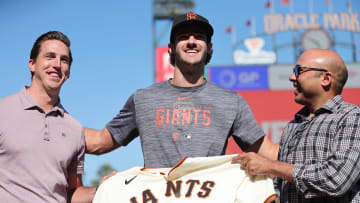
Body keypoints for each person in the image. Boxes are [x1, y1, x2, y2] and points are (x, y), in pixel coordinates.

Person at [85, 12, 278, 168]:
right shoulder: (143, 99)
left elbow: (269, 153)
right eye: (184, 37)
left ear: (209, 48)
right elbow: (99, 142)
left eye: (199, 37)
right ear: (170, 48)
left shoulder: (230, 102)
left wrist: (308, 133)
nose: (192, 41)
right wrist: (55, 123)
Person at [233, 49, 360, 202]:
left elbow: (337, 179)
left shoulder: (351, 117)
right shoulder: (293, 125)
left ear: (325, 79)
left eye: (298, 71)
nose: (291, 77)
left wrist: (272, 166)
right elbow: (282, 186)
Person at [0, 31, 96, 203]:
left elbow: (72, 193)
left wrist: (105, 189)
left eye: (64, 60)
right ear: (32, 64)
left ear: (68, 72)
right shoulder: (2, 111)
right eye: (50, 57)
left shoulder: (75, 129)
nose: (57, 64)